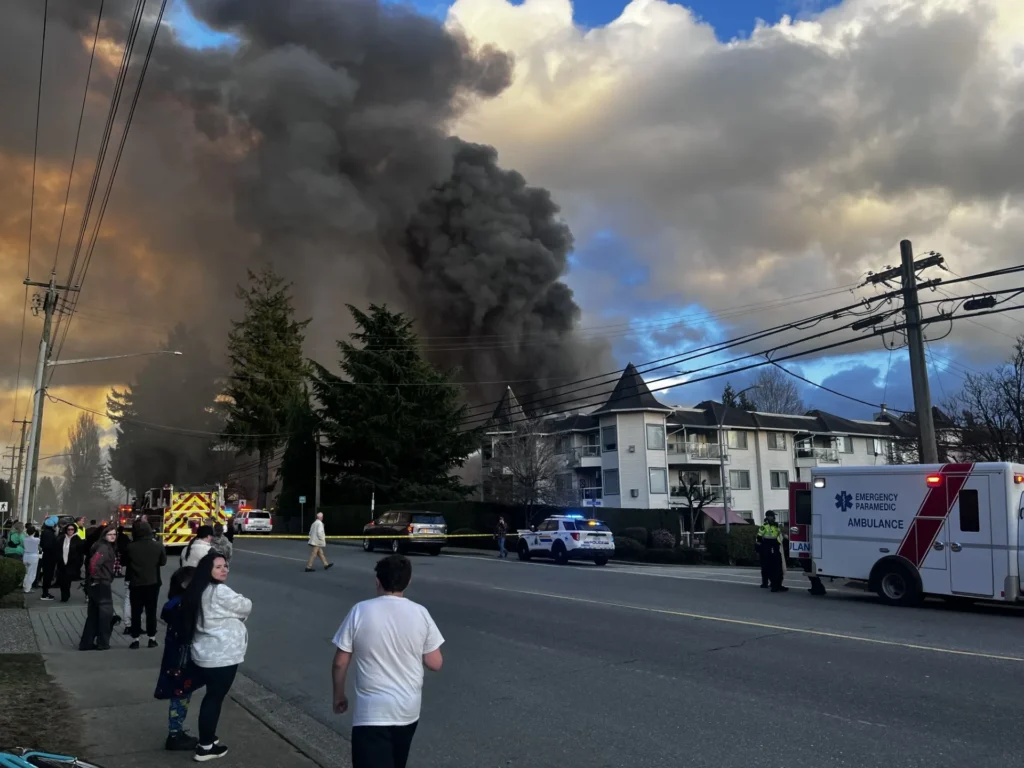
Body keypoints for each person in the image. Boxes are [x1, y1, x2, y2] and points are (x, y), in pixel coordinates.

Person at [332, 555, 444, 768]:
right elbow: (435, 662)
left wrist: (338, 695)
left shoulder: (360, 611)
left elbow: (340, 662)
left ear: (378, 581)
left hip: (371, 713)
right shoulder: (421, 613)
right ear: (408, 582)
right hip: (408, 711)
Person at [180, 552, 251, 761]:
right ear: (207, 570)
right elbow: (246, 605)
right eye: (218, 567)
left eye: (225, 566)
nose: (224, 570)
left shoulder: (198, 589)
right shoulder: (220, 591)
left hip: (203, 652)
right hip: (222, 655)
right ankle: (205, 747)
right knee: (214, 699)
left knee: (211, 697)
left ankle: (208, 736)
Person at [155, 566, 203, 752]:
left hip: (174, 656)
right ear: (185, 585)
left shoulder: (173, 604)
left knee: (180, 693)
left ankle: (176, 731)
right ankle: (174, 735)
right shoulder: (183, 606)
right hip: (181, 658)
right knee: (180, 694)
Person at [128, 519, 167, 649]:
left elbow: (124, 561)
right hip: (153, 582)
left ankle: (135, 639)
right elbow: (163, 562)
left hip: (136, 583)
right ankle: (152, 638)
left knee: (135, 611)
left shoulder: (131, 547)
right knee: (151, 611)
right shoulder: (158, 546)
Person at [79, 526, 118, 651]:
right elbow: (94, 563)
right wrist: (95, 578)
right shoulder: (104, 548)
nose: (112, 536)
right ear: (104, 535)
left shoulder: (104, 546)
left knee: (94, 614)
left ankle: (87, 642)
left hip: (97, 583)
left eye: (114, 534)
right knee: (105, 615)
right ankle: (102, 642)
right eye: (110, 534)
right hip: (101, 584)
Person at [756, 512, 788, 593]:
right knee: (769, 567)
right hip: (767, 547)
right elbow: (759, 537)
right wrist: (760, 549)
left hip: (775, 546)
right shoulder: (764, 526)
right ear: (768, 517)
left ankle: (779, 584)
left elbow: (779, 536)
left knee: (778, 566)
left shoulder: (776, 525)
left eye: (774, 516)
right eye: (772, 516)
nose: (774, 518)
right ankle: (773, 585)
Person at [57, 523, 82, 603]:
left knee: (67, 580)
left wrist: (78, 564)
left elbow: (80, 553)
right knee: (61, 580)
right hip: (61, 563)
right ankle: (63, 594)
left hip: (71, 564)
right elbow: (57, 549)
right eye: (69, 529)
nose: (70, 531)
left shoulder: (77, 539)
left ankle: (66, 596)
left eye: (72, 529)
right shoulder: (61, 538)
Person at [39, 516, 59, 601]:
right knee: (48, 575)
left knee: (47, 575)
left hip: (47, 556)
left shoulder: (45, 532)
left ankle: (45, 592)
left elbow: (42, 544)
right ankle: (45, 594)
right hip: (50, 557)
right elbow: (48, 546)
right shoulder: (49, 533)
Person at [22, 524, 40, 593]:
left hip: (26, 556)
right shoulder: (37, 540)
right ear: (34, 532)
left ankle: (25, 586)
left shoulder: (24, 539)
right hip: (33, 557)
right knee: (32, 573)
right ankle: (28, 588)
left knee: (26, 572)